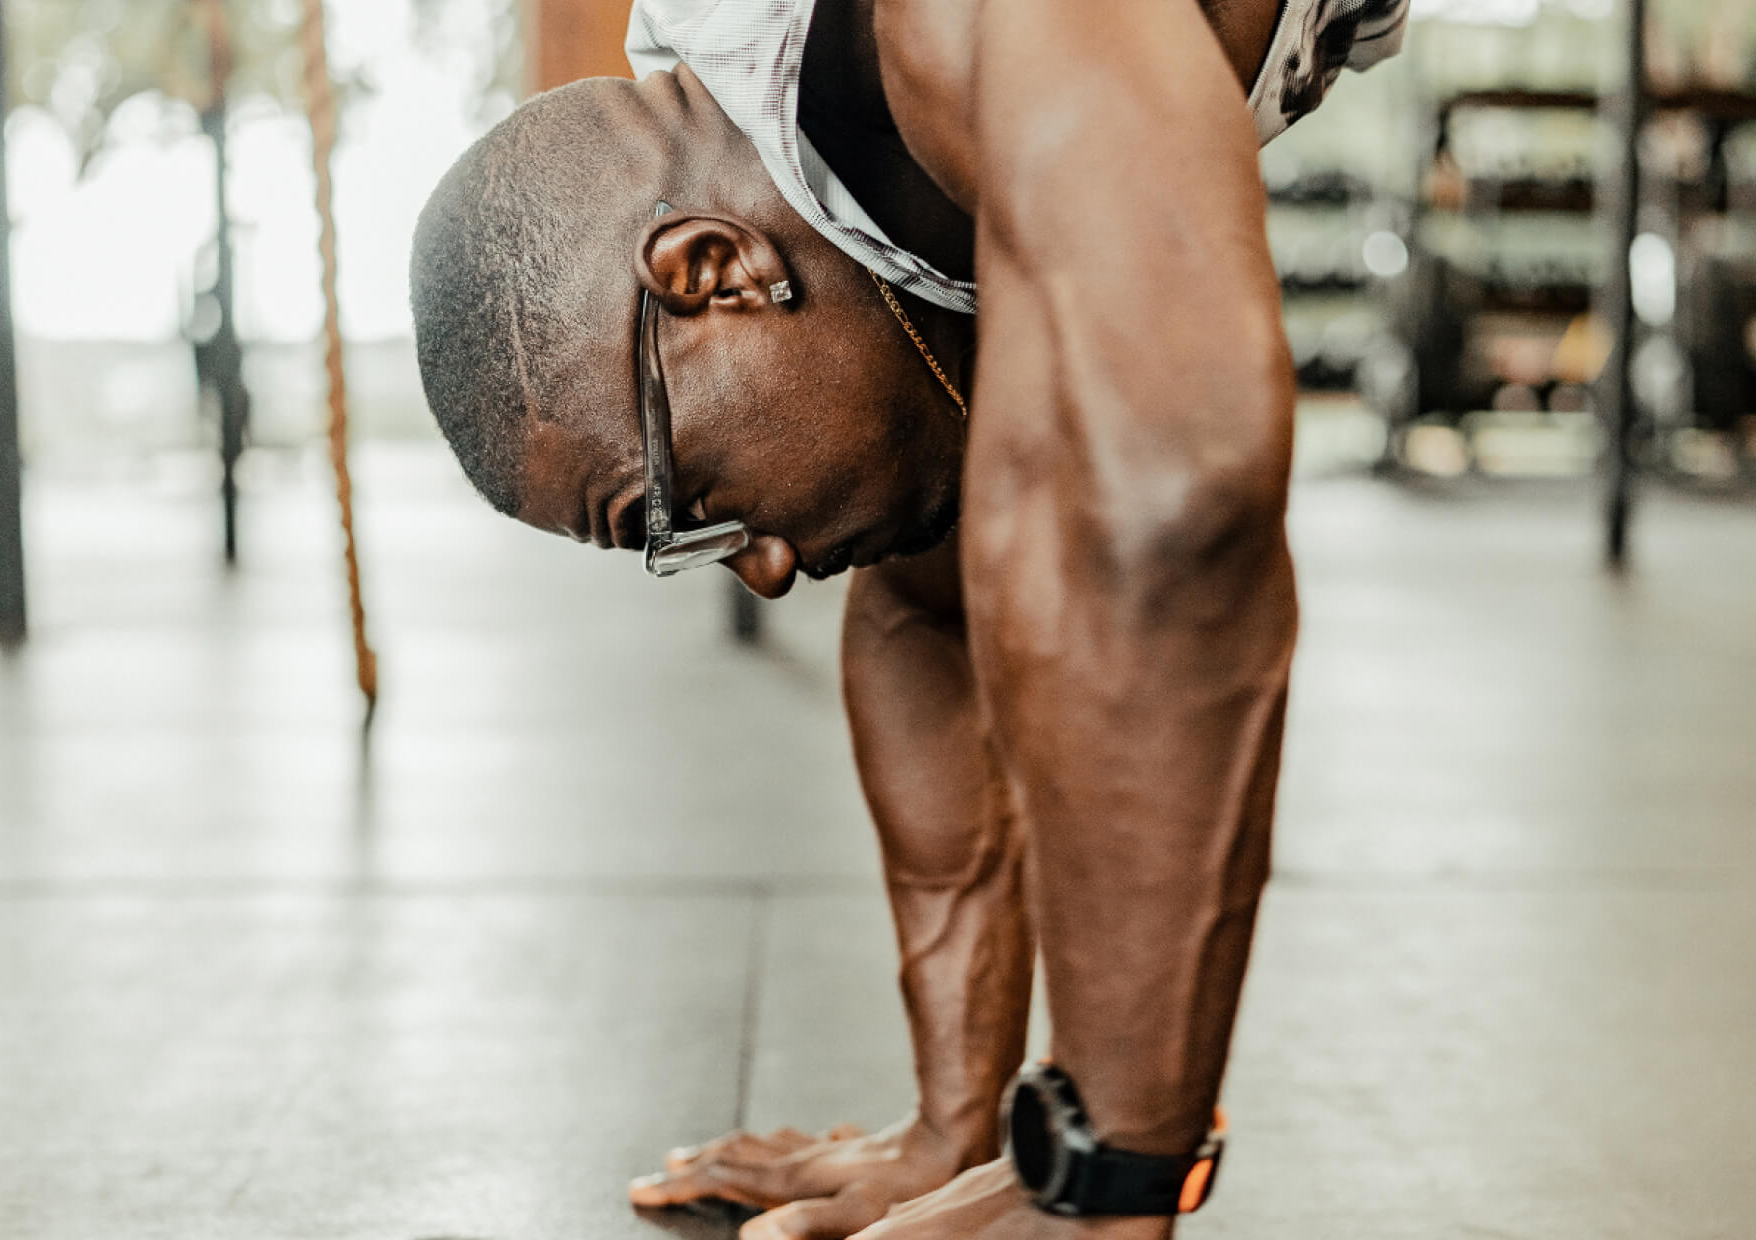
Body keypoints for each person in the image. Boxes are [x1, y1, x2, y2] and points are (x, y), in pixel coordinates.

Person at [406, 0, 1401, 1234]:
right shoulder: (830, 159)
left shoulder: (961, 25)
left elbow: (1172, 491)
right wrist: (952, 1131)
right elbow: (927, 604)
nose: (762, 569)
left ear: (710, 271)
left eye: (687, 508)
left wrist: (1096, 1184)